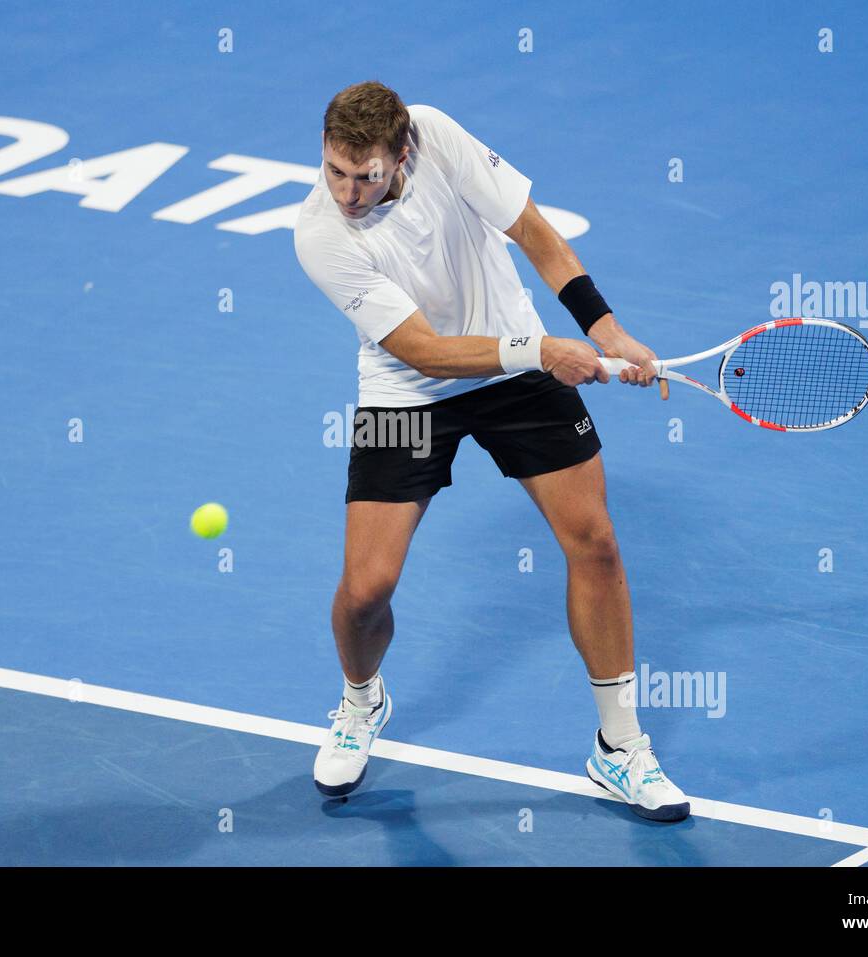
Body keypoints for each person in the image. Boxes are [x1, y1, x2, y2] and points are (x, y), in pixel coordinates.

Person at [293, 81, 688, 821]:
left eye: (366, 175)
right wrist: (541, 348)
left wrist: (604, 330)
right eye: (336, 171)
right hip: (406, 390)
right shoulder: (319, 233)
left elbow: (536, 233)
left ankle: (621, 745)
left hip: (517, 363)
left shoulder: (437, 134)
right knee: (367, 588)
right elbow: (425, 351)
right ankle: (359, 699)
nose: (348, 192)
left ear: (402, 152)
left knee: (594, 541)